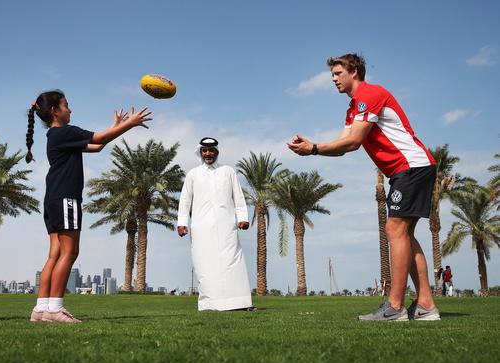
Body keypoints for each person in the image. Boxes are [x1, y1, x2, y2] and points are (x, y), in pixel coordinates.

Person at [288, 53, 440, 321]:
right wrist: (314, 147)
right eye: (332, 75)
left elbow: (354, 141)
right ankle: (426, 304)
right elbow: (342, 145)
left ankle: (395, 306)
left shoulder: (371, 94)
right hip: (406, 170)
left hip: (412, 166)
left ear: (354, 72)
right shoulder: (353, 107)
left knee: (395, 228)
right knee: (405, 234)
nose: (333, 79)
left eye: (338, 73)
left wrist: (313, 149)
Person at [25, 90, 151, 323]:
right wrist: (130, 124)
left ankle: (41, 309)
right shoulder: (65, 132)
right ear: (54, 111)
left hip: (53, 198)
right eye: (66, 105)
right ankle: (55, 309)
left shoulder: (56, 136)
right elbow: (100, 139)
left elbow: (98, 146)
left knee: (55, 254)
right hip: (66, 197)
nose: (70, 109)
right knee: (70, 252)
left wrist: (115, 126)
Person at [177, 137, 253, 311]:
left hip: (227, 225)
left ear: (217, 152)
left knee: (232, 262)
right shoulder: (193, 174)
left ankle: (240, 303)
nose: (208, 154)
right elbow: (185, 201)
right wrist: (182, 223)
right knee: (205, 264)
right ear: (201, 153)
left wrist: (243, 218)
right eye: (205, 150)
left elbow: (239, 197)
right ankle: (209, 304)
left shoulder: (228, 171)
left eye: (211, 150)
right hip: (201, 227)